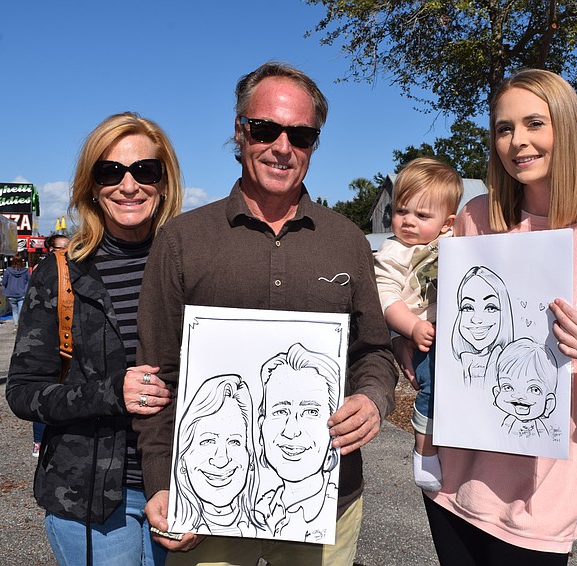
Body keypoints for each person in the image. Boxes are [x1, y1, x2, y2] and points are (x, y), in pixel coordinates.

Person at [394, 69, 577, 564]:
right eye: (504, 128)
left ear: (566, 128)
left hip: (540, 509)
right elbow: (442, 327)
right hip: (450, 485)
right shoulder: (475, 218)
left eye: (533, 124)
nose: (517, 142)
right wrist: (414, 344)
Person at [135, 62, 397, 566]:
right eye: (265, 129)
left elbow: (375, 351)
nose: (282, 146)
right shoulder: (182, 241)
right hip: (207, 509)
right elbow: (158, 376)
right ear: (239, 131)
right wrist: (162, 482)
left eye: (300, 135)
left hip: (327, 502)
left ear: (314, 143)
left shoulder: (346, 240)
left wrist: (373, 398)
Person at [6, 111, 183, 566]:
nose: (129, 185)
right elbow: (23, 392)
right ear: (92, 184)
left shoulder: (192, 268)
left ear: (164, 182)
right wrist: (111, 393)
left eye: (145, 170)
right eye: (111, 171)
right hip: (92, 498)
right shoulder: (60, 274)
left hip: (186, 486)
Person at [373, 157, 462, 492]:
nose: (408, 221)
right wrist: (409, 327)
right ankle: (424, 450)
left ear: (446, 222)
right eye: (401, 211)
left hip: (453, 329)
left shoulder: (452, 240)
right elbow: (386, 298)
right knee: (434, 387)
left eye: (422, 216)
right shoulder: (394, 252)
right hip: (422, 336)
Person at [256, 343, 341, 543]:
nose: (291, 430)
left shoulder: (327, 508)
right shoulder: (259, 506)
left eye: (311, 412)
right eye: (280, 411)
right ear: (262, 425)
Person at [173, 374, 260, 537]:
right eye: (208, 441)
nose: (221, 459)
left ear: (250, 456)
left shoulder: (275, 522)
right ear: (183, 456)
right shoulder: (173, 523)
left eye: (234, 442)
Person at [30, 233, 72, 457]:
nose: (64, 251)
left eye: (68, 247)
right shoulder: (44, 270)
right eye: (60, 248)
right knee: (44, 392)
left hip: (70, 342)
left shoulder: (76, 268)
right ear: (49, 249)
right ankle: (38, 440)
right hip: (48, 341)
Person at [451, 265, 514, 387]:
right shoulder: (453, 365)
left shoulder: (510, 367)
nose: (477, 319)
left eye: (490, 307)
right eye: (468, 307)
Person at [490, 337, 559, 437]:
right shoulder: (503, 425)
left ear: (549, 403)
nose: (519, 396)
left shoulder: (542, 432)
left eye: (534, 389)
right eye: (508, 387)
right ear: (497, 393)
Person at [1, 252, 30, 328]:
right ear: (22, 261)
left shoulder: (8, 270)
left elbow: (4, 282)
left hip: (11, 293)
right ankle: (20, 326)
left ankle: (16, 325)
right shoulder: (26, 271)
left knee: (14, 311)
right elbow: (29, 281)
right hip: (22, 293)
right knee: (21, 311)